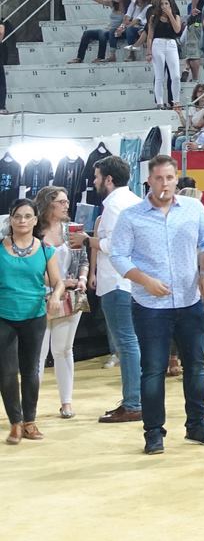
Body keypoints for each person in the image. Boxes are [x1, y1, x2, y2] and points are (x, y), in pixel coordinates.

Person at [108, 154, 204, 455]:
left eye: (170, 177)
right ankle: (153, 432)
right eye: (159, 178)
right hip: (149, 305)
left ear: (176, 178)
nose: (165, 183)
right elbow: (118, 255)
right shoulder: (132, 216)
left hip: (189, 301)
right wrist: (144, 280)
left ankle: (197, 424)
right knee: (153, 369)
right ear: (149, 180)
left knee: (196, 366)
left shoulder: (194, 208)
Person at [86, 157, 143, 423]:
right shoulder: (133, 200)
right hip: (127, 281)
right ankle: (134, 399)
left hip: (118, 281)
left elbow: (117, 246)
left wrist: (89, 240)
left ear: (109, 179)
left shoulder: (115, 206)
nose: (95, 181)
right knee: (130, 343)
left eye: (97, 177)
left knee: (127, 344)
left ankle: (133, 402)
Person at [0, 198, 59, 445]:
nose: (22, 221)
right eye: (17, 216)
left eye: (27, 216)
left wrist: (55, 296)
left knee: (31, 370)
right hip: (4, 315)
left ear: (35, 220)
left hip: (34, 316)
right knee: (6, 371)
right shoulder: (0, 247)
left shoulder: (46, 249)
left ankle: (30, 421)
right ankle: (15, 422)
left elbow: (58, 282)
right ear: (10, 219)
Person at [33, 186, 88, 420]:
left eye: (66, 201)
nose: (66, 205)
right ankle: (31, 405)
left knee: (64, 350)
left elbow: (83, 258)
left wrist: (83, 278)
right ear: (48, 204)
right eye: (61, 202)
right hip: (39, 297)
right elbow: (29, 265)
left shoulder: (71, 229)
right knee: (37, 352)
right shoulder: (34, 231)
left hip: (70, 296)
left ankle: (66, 402)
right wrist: (58, 282)